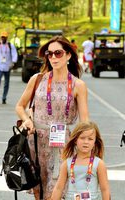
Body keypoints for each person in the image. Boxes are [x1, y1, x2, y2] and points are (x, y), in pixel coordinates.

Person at [15, 35, 89, 200]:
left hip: (63, 145)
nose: (53, 57)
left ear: (68, 55)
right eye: (49, 54)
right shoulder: (37, 79)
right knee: (38, 193)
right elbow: (20, 106)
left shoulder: (78, 85)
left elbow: (85, 122)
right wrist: (27, 119)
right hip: (36, 143)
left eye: (58, 53)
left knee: (54, 193)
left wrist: (86, 150)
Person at [51, 121, 110, 200]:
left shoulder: (99, 164)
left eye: (90, 139)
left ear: (95, 142)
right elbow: (59, 188)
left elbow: (105, 189)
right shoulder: (67, 164)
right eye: (82, 138)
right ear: (75, 140)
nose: (86, 142)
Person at [0, 31, 18, 104]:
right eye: (2, 37)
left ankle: (4, 97)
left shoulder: (10, 46)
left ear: (7, 38)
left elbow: (14, 54)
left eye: (4, 37)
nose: (3, 38)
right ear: (0, 37)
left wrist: (13, 62)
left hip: (7, 67)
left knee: (6, 83)